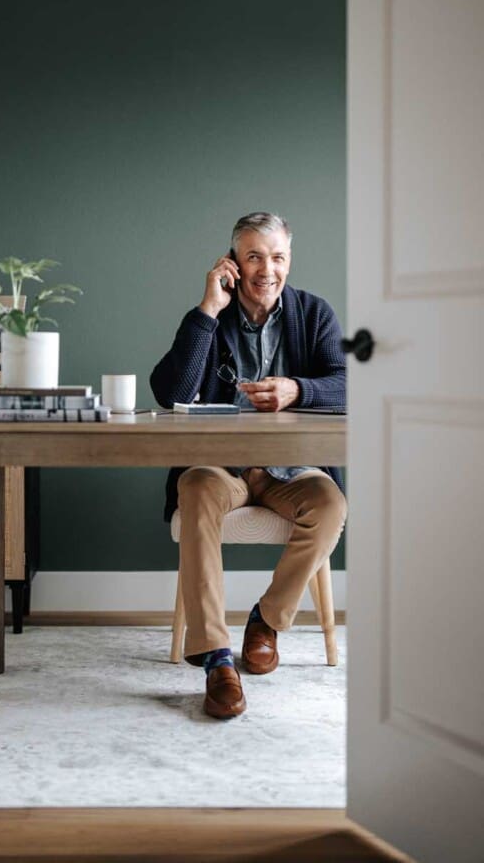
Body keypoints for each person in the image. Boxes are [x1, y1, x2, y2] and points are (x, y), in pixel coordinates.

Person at [150, 212, 347, 719]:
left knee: (330, 504)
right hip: (223, 469)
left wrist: (297, 389)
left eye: (277, 257)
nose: (267, 270)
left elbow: (350, 383)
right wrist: (208, 309)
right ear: (232, 263)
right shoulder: (208, 317)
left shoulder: (314, 314)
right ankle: (216, 656)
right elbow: (172, 393)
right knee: (193, 488)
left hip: (291, 469)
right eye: (254, 256)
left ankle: (267, 621)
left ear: (289, 261)